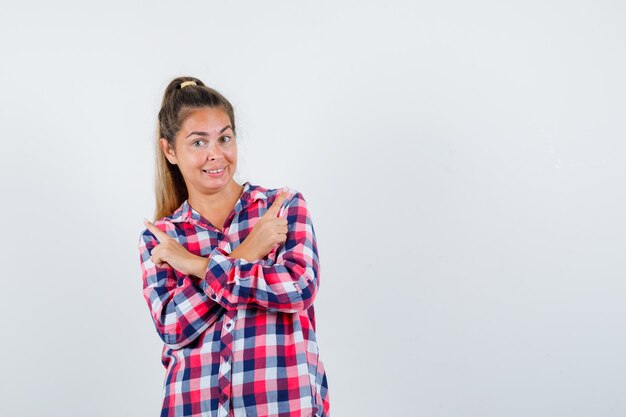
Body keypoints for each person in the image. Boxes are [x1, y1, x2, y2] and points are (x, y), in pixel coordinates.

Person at [137, 76, 330, 417]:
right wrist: (246, 253)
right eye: (198, 143)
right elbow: (173, 326)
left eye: (224, 138)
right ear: (170, 150)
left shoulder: (282, 208)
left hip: (282, 406)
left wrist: (198, 266)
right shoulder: (163, 238)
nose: (216, 154)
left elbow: (298, 288)